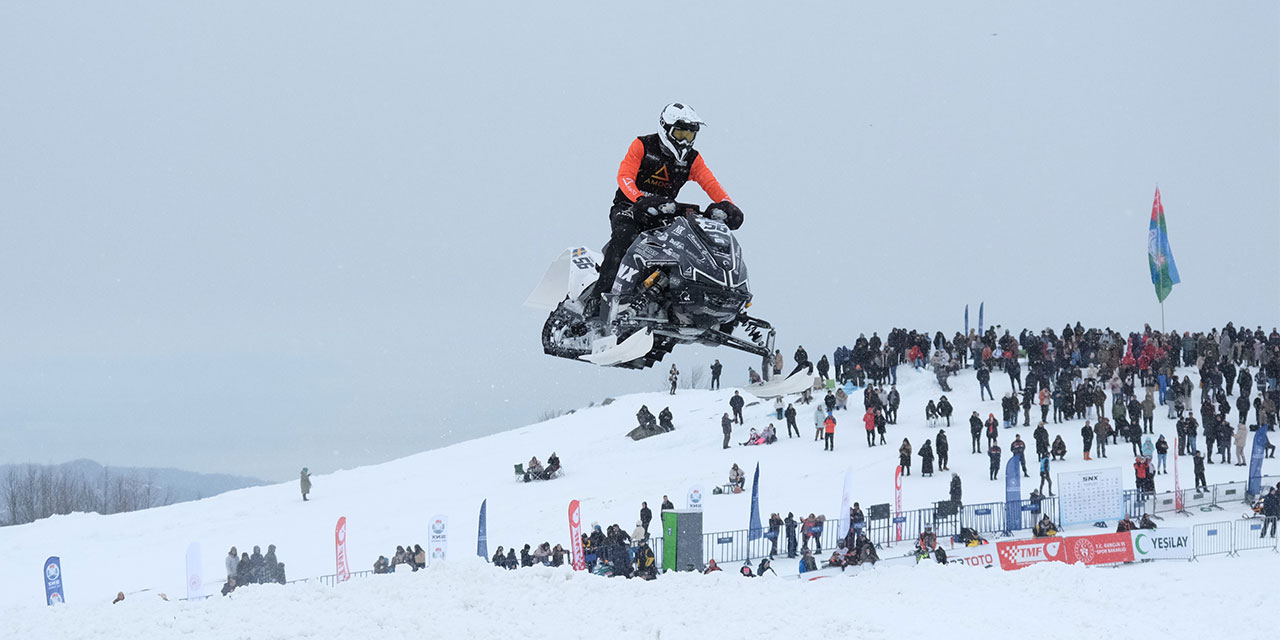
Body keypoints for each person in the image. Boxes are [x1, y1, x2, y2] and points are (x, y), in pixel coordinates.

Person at [586, 103, 740, 320]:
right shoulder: (643, 145)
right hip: (630, 207)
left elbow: (710, 183)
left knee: (686, 247)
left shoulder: (692, 159)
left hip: (664, 213)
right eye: (680, 133)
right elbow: (625, 176)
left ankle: (678, 302)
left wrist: (727, 204)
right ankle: (598, 300)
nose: (685, 141)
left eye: (690, 135)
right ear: (665, 128)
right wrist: (639, 200)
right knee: (624, 238)